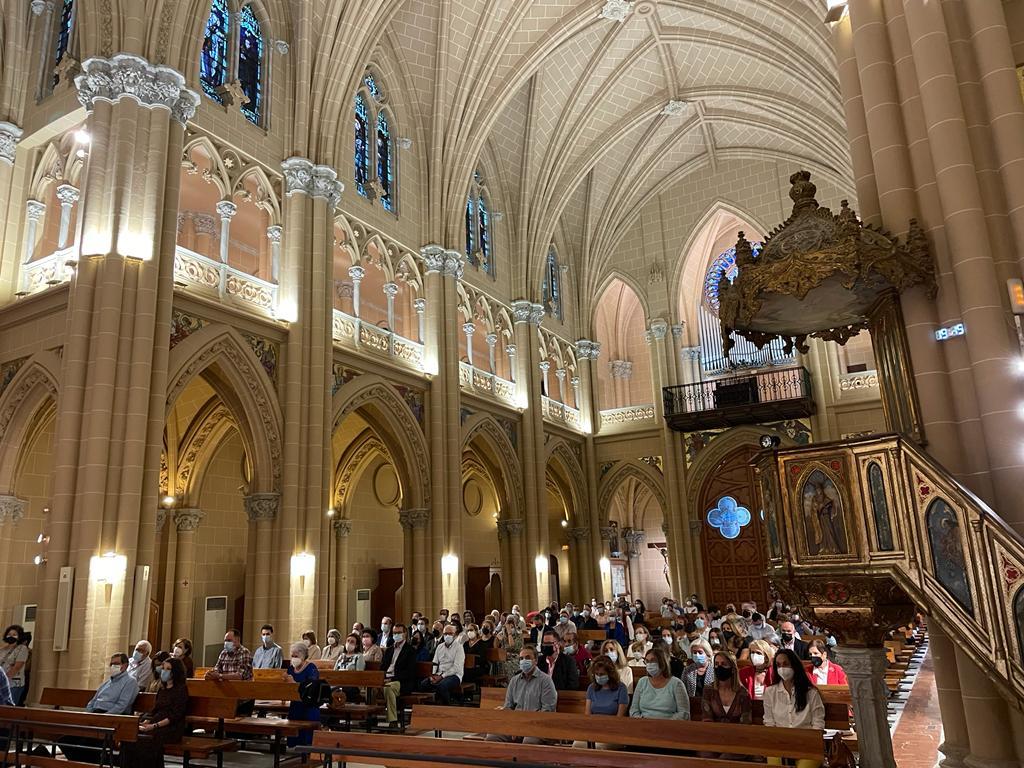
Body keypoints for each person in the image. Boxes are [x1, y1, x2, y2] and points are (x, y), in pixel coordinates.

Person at [57, 654, 139, 763]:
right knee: (65, 741)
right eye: (111, 664)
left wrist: (104, 717)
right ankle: (89, 762)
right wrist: (89, 714)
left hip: (112, 719)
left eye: (116, 664)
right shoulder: (107, 683)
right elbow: (93, 700)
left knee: (84, 745)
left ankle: (88, 762)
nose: (112, 666)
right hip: (95, 717)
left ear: (125, 665)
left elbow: (122, 705)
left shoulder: (130, 681)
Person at [120, 657, 189, 767]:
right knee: (130, 738)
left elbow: (175, 715)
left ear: (175, 672)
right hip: (156, 722)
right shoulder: (162, 689)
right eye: (163, 668)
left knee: (146, 740)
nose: (164, 671)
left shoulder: (181, 690)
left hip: (171, 727)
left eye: (168, 669)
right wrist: (146, 721)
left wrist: (154, 726)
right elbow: (156, 709)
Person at [764, 649, 825, 768]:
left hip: (808, 746)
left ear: (794, 665)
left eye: (785, 664)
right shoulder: (770, 692)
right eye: (778, 665)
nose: (782, 668)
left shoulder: (811, 693)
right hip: (779, 745)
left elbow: (818, 723)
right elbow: (769, 723)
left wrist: (805, 742)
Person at [485, 648, 557, 744]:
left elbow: (547, 712)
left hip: (538, 727)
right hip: (515, 725)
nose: (523, 661)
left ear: (535, 661)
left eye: (527, 658)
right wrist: (515, 726)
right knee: (492, 737)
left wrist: (523, 728)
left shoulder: (545, 681)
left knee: (529, 741)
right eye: (521, 658)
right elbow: (508, 708)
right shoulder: (514, 681)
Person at [629, 649, 689, 720]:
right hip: (644, 724)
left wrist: (664, 724)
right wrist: (642, 721)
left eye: (653, 661)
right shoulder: (642, 682)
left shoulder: (676, 683)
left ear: (662, 662)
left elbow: (683, 713)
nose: (649, 664)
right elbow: (634, 710)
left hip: (669, 726)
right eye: (647, 661)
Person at [380, 623, 417, 726]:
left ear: (404, 634)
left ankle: (393, 720)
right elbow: (382, 668)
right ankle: (371, 717)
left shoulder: (410, 650)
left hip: (401, 682)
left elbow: (410, 672)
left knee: (388, 688)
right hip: (386, 679)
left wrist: (391, 679)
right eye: (394, 633)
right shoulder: (389, 650)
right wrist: (381, 678)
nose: (396, 635)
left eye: (399, 632)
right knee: (371, 689)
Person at [701, 651, 751, 725]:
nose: (719, 667)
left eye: (724, 664)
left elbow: (746, 721)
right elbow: (707, 718)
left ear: (733, 669)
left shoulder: (743, 693)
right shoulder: (708, 690)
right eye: (716, 664)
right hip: (713, 733)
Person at [419, 625, 463, 705]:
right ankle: (429, 709)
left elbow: (456, 667)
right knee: (423, 684)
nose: (447, 636)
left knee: (442, 685)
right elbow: (435, 663)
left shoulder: (459, 647)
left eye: (450, 633)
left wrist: (442, 676)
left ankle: (446, 708)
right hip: (439, 674)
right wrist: (432, 675)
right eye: (445, 633)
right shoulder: (440, 647)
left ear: (454, 635)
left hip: (454, 675)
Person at [286, 643, 320, 746]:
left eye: (296, 656)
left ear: (304, 656)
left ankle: (307, 748)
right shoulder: (291, 669)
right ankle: (293, 745)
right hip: (295, 704)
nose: (294, 658)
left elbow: (311, 686)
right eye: (292, 656)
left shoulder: (311, 668)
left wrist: (294, 683)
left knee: (306, 733)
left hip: (308, 705)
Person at [0, 626, 28, 705]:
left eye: (14, 634)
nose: (11, 636)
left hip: (13, 683)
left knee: (8, 707)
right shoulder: (2, 650)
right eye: (9, 634)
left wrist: (4, 681)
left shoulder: (22, 649)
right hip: (1, 681)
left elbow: (16, 667)